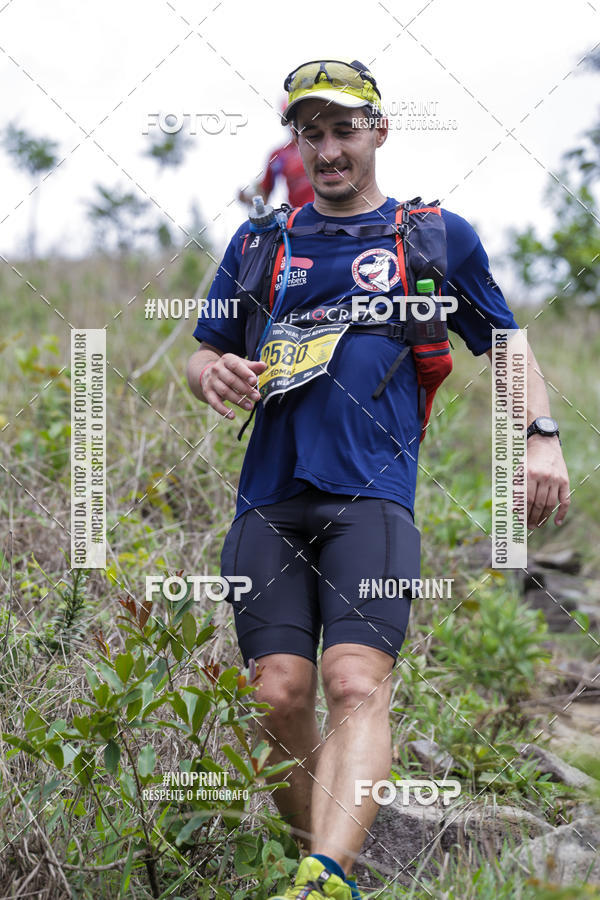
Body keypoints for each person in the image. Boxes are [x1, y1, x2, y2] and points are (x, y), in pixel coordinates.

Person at [187, 58, 570, 900]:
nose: (328, 149)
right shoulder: (260, 243)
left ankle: (326, 874)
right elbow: (205, 349)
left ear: (380, 131)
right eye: (311, 133)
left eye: (344, 130)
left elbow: (505, 342)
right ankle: (320, 867)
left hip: (372, 501)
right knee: (276, 695)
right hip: (268, 500)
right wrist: (211, 372)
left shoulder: (432, 238)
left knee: (355, 683)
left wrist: (539, 437)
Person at [238, 101, 314, 208]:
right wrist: (248, 198)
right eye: (290, 118)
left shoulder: (326, 145)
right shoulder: (279, 155)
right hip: (301, 214)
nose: (295, 122)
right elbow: (263, 195)